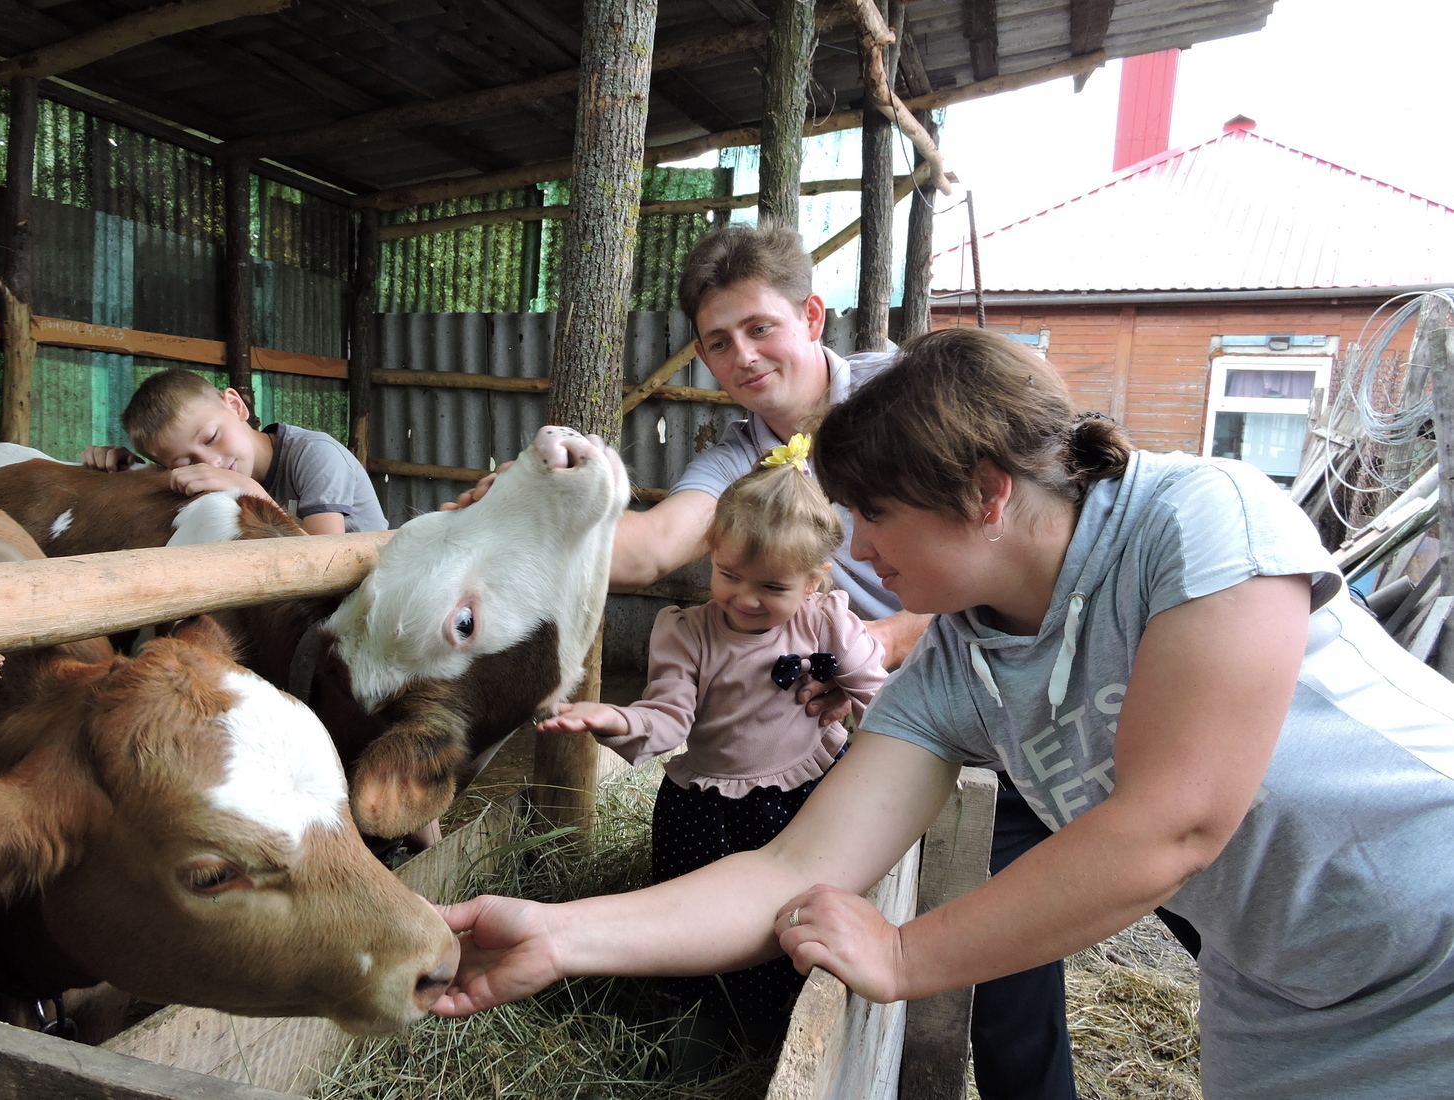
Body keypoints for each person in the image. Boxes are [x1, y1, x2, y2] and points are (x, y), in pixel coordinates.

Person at [433, 327, 1454, 1100]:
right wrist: (563, 934)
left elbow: (1172, 823)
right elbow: (792, 866)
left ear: (984, 490)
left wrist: (905, 956)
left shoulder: (1200, 518)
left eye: (873, 516)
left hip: (1435, 929)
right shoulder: (961, 657)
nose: (855, 547)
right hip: (1284, 987)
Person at [452, 225, 1084, 1098]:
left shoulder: (904, 398)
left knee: (1010, 943)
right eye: (717, 342)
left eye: (759, 328)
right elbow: (650, 546)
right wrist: (531, 517)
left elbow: (1164, 830)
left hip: (907, 675)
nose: (741, 356)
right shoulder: (734, 456)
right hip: (889, 713)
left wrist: (872, 644)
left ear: (812, 315)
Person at [539, 443, 888, 1060]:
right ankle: (692, 1031)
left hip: (796, 800)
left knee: (781, 920)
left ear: (815, 581)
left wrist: (878, 774)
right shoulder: (688, 631)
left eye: (772, 586)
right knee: (686, 915)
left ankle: (769, 1032)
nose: (745, 598)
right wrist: (615, 716)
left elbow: (877, 700)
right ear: (713, 557)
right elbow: (670, 716)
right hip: (703, 806)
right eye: (729, 575)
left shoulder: (829, 624)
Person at [80, 368, 386, 534]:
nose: (210, 463)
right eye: (186, 462)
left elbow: (326, 564)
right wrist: (127, 467)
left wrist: (252, 491)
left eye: (211, 437)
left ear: (236, 406)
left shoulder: (317, 456)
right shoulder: (207, 471)